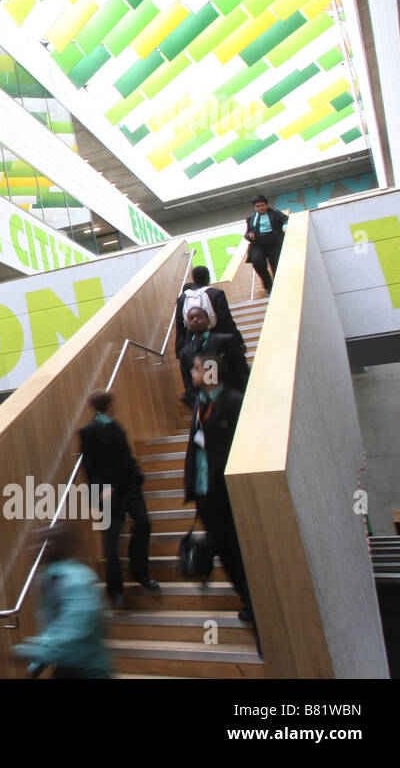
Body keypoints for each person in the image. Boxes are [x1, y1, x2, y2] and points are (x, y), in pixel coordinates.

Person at [184, 347, 254, 624]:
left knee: (237, 554)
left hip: (227, 497)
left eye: (197, 368)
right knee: (226, 553)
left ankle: (253, 602)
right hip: (207, 498)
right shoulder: (201, 406)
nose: (192, 373)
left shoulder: (234, 402)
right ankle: (247, 600)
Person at [78, 392, 157, 609]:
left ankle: (139, 570)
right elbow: (89, 466)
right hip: (109, 493)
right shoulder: (89, 432)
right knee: (111, 543)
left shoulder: (117, 426)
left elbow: (126, 456)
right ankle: (115, 589)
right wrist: (99, 492)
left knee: (143, 523)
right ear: (109, 405)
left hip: (130, 487)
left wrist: (137, 475)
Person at [12, 522, 111, 678]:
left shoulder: (78, 579)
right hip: (67, 667)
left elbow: (73, 631)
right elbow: (54, 628)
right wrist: (36, 666)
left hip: (89, 670)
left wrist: (33, 652)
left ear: (56, 546)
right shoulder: (49, 578)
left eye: (43, 542)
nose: (35, 549)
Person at [178, 302, 249, 405]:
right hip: (206, 405)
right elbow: (189, 384)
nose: (195, 320)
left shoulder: (225, 340)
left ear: (208, 320)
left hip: (232, 397)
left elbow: (241, 368)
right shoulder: (185, 353)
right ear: (187, 323)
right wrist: (197, 405)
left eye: (199, 317)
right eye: (191, 318)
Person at [173, 266, 242, 358]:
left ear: (193, 279)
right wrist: (238, 341)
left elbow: (180, 327)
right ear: (208, 277)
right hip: (217, 340)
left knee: (204, 371)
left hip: (193, 344)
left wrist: (180, 351)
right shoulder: (216, 293)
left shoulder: (183, 298)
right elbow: (226, 320)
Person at [244, 195, 288, 296]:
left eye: (262, 205)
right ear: (255, 207)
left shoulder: (276, 213)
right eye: (258, 206)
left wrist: (285, 227)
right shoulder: (251, 218)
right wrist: (249, 236)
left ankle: (280, 287)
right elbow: (246, 233)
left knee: (276, 265)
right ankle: (269, 287)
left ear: (267, 205)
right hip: (258, 244)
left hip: (273, 242)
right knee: (257, 262)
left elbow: (286, 219)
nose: (260, 208)